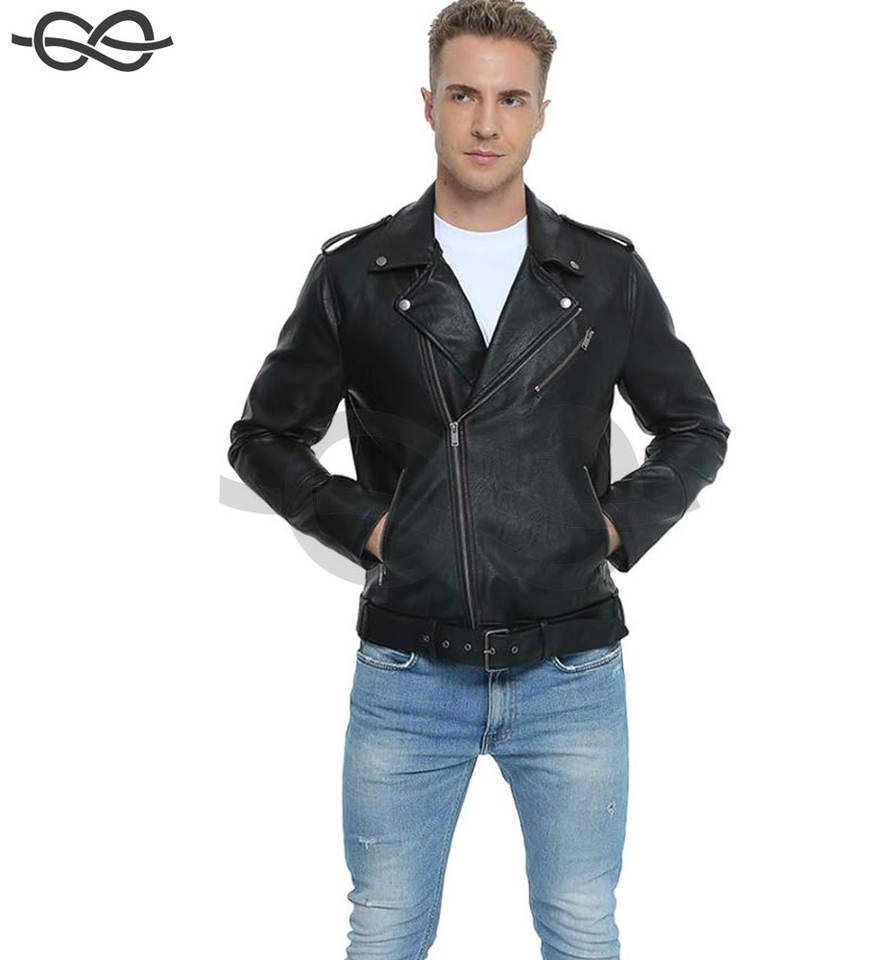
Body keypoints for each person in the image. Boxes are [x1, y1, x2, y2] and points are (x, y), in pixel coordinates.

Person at [227, 1, 731, 956]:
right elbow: (263, 437)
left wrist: (610, 527)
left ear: (542, 112)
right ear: (428, 104)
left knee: (581, 926)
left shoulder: (603, 274)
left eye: (511, 99)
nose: (487, 124)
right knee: (386, 931)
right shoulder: (357, 274)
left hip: (572, 666)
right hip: (408, 671)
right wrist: (371, 528)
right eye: (464, 96)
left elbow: (694, 427)